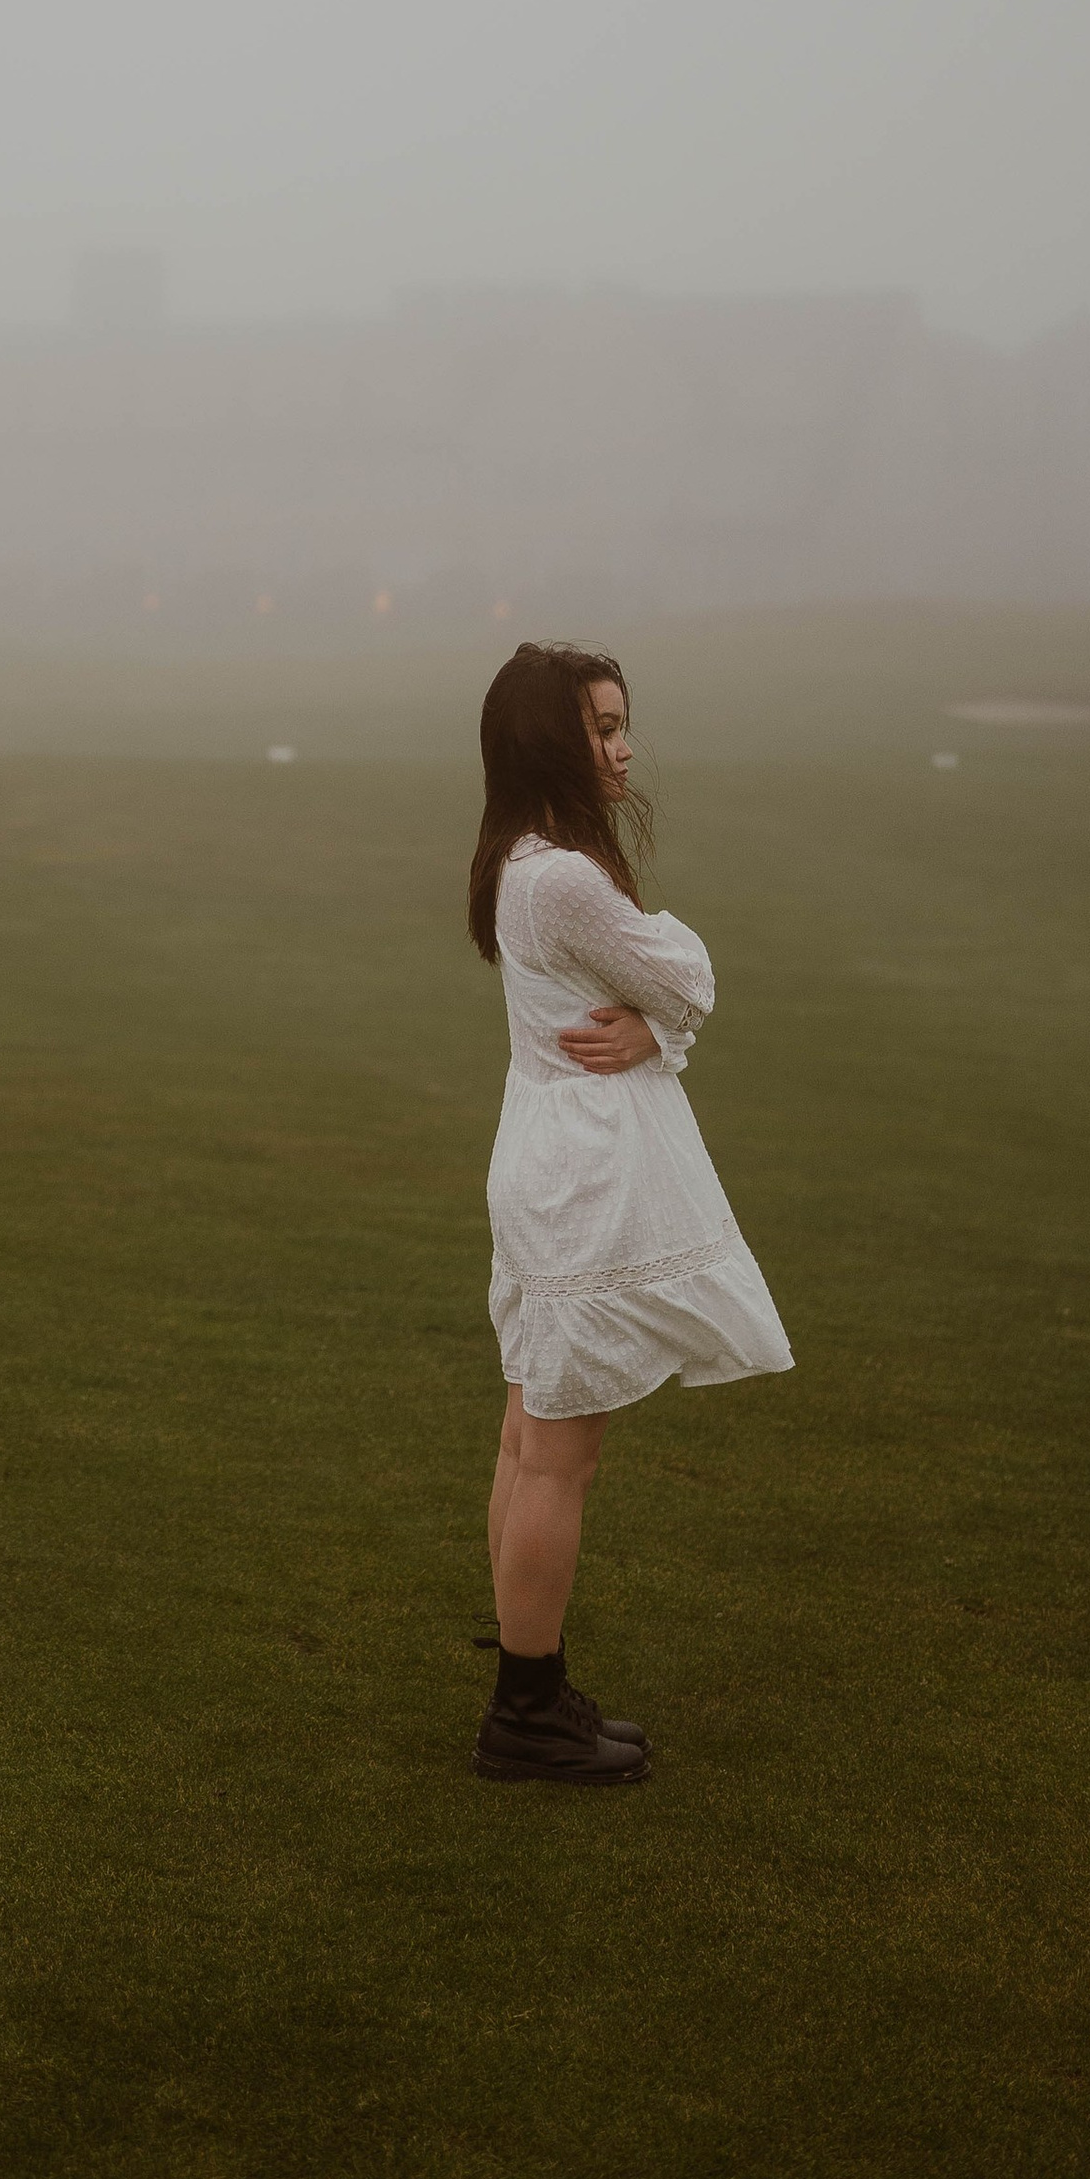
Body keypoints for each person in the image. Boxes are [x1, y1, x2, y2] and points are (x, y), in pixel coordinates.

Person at [467, 643, 791, 1788]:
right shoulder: (559, 878)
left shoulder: (518, 860)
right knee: (557, 1455)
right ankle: (524, 1710)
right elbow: (687, 973)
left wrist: (656, 1030)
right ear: (550, 740)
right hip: (582, 1176)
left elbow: (660, 1003)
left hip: (548, 1157)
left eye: (620, 725)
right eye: (602, 729)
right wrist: (667, 1015)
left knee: (529, 1435)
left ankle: (528, 1680)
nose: (623, 749)